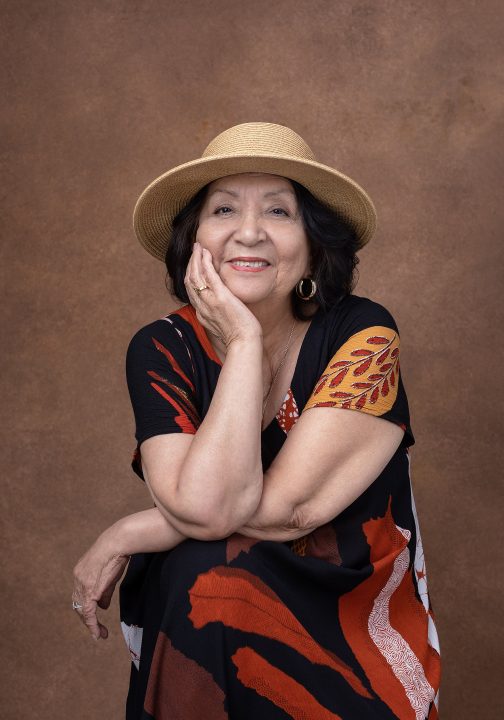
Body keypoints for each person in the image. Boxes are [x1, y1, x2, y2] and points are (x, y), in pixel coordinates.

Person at [72, 122, 441, 719]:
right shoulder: (162, 347)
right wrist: (244, 344)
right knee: (203, 572)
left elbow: (293, 509)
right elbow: (209, 511)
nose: (249, 232)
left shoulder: (363, 333)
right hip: (215, 606)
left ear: (314, 246)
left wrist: (132, 531)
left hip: (344, 605)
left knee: (205, 567)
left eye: (278, 211)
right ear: (194, 239)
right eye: (223, 210)